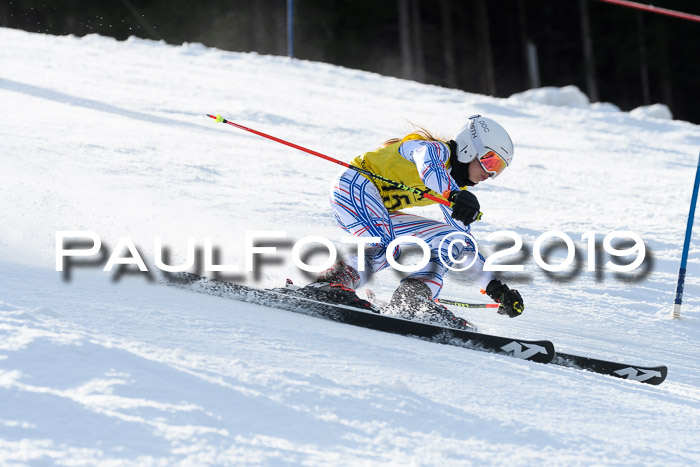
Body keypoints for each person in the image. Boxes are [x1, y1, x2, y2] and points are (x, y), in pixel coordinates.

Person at [306, 115, 524, 329]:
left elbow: (465, 244)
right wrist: (453, 195)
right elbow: (429, 168)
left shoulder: (455, 190)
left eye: (499, 169)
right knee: (387, 245)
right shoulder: (432, 150)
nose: (491, 173)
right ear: (469, 149)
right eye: (490, 161)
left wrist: (496, 288)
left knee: (454, 240)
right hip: (353, 186)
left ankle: (412, 299)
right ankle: (332, 283)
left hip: (380, 209)